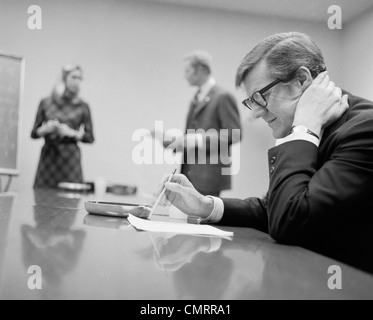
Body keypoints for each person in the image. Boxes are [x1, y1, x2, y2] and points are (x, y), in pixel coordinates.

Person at [140, 32, 373, 274]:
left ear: (302, 80)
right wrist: (205, 205)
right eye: (252, 102)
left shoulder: (365, 128)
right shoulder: (319, 127)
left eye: (261, 96)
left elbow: (290, 220)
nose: (256, 113)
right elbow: (273, 207)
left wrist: (303, 129)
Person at [154, 51, 241, 197]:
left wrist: (196, 139)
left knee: (202, 219)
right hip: (191, 174)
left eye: (187, 70)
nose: (184, 75)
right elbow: (192, 137)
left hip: (208, 177)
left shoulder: (222, 97)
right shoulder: (197, 98)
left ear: (200, 69)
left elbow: (234, 134)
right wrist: (176, 143)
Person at [31, 63, 94, 188]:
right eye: (74, 77)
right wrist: (45, 129)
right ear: (64, 78)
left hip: (70, 159)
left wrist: (72, 133)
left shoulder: (82, 106)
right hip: (49, 157)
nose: (77, 82)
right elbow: (34, 133)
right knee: (43, 197)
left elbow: (90, 137)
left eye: (80, 78)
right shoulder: (46, 103)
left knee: (70, 199)